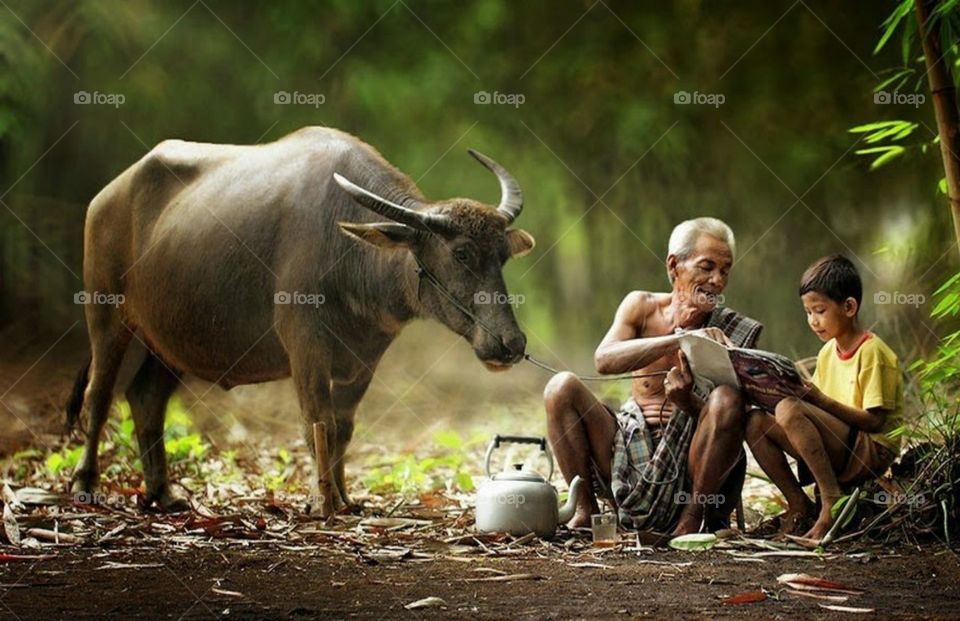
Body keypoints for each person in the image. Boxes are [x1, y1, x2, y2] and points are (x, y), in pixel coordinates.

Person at [544, 217, 762, 536]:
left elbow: (731, 422)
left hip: (694, 463)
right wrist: (679, 339)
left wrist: (687, 402)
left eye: (725, 270)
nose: (717, 280)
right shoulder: (642, 307)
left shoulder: (732, 331)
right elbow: (604, 360)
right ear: (674, 266)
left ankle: (690, 519)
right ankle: (585, 511)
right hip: (626, 449)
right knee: (560, 386)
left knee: (727, 398)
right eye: (706, 267)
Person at [746, 255, 903, 542]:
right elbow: (813, 409)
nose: (813, 321)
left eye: (819, 310)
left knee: (790, 409)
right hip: (842, 441)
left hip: (870, 449)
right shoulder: (828, 352)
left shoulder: (873, 352)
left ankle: (831, 499)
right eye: (807, 312)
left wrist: (817, 400)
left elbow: (876, 421)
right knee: (755, 422)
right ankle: (799, 505)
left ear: (849, 307)